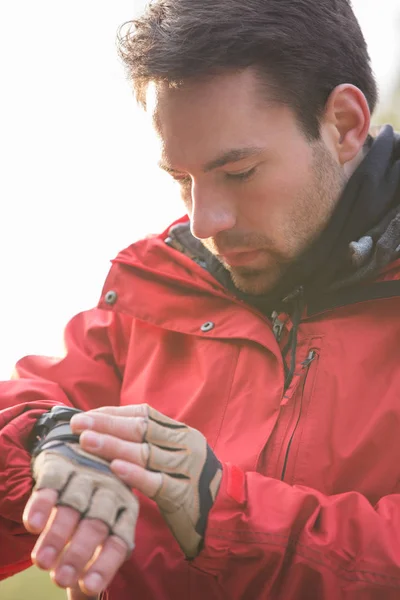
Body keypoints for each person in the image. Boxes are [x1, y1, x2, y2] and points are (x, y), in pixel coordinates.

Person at [1, 0, 400, 598]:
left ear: (344, 124)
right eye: (181, 180)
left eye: (238, 172)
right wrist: (46, 443)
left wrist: (220, 510)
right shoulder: (151, 286)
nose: (204, 221)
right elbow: (29, 401)